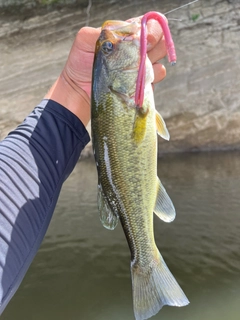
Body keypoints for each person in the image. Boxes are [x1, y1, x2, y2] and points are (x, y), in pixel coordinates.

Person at [0, 16, 167, 315]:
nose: (113, 43)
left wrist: (72, 87)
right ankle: (145, 260)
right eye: (109, 50)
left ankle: (146, 262)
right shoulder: (125, 95)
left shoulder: (122, 93)